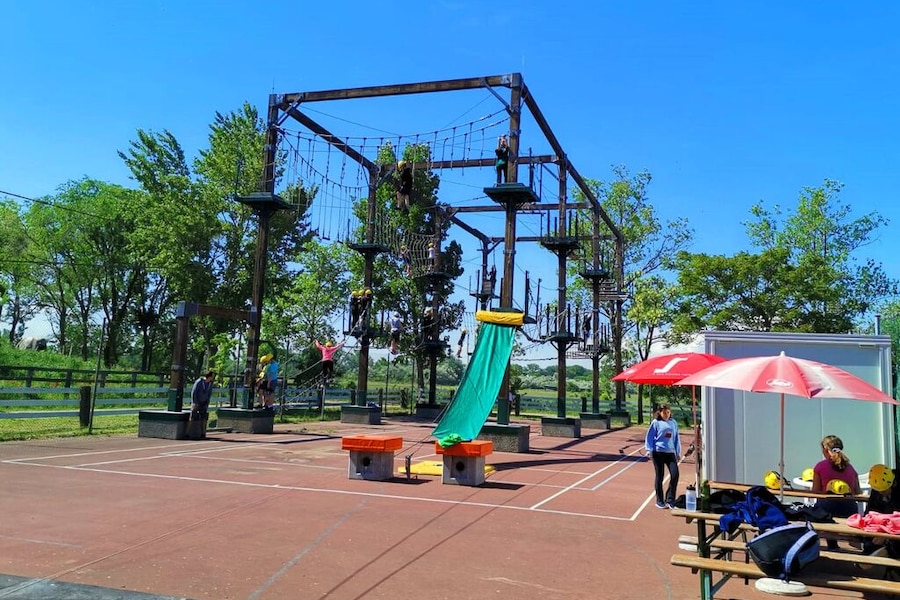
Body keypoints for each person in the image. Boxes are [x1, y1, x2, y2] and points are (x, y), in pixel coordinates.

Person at [812, 435, 861, 548]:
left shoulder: (820, 466)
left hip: (828, 510)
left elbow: (815, 491)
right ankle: (855, 543)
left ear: (825, 450)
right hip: (849, 510)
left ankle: (832, 545)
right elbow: (857, 491)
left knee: (819, 507)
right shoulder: (850, 468)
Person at [645, 402, 682, 509]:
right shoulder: (656, 423)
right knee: (659, 476)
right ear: (660, 413)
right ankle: (659, 501)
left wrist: (678, 452)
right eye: (664, 413)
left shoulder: (673, 423)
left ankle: (670, 499)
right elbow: (649, 437)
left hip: (670, 453)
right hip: (658, 453)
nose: (666, 414)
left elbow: (676, 438)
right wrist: (649, 450)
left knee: (675, 475)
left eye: (668, 412)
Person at [188, 370, 215, 439]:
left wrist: (207, 403)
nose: (213, 378)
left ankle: (203, 433)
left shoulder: (210, 384)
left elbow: (209, 394)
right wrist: (194, 402)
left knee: (204, 418)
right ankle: (187, 433)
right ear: (209, 376)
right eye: (212, 376)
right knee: (192, 416)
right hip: (197, 403)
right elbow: (194, 392)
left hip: (204, 403)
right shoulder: (199, 382)